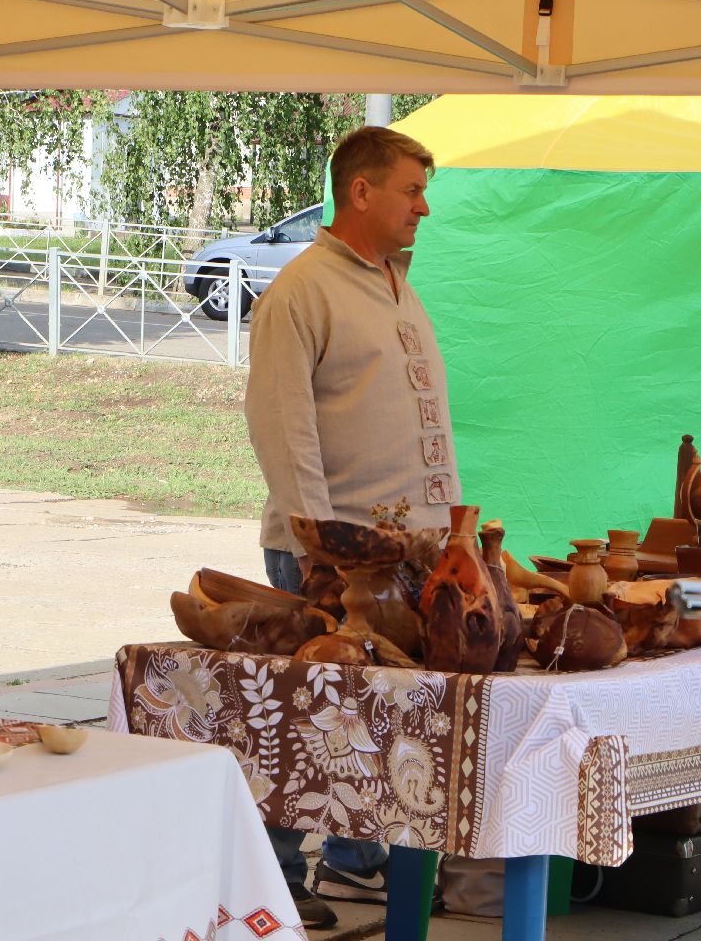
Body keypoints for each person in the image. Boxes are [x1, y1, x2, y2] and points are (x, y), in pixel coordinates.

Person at [244, 125, 456, 928]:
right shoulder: (302, 291)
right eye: (410, 190)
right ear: (359, 191)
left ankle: (357, 858)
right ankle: (275, 876)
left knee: (370, 720)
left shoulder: (396, 283)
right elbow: (282, 428)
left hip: (407, 554)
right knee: (301, 715)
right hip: (333, 553)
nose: (423, 208)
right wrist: (319, 547)